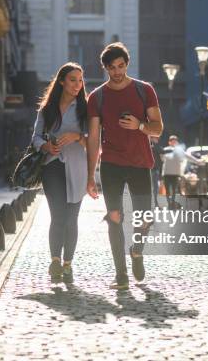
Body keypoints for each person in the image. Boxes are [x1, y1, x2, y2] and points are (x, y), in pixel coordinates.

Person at [86, 42, 163, 290]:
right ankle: (121, 275)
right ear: (105, 68)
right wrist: (90, 175)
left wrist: (139, 126)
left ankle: (136, 251)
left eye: (121, 66)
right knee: (115, 218)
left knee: (144, 219)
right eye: (112, 68)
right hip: (112, 165)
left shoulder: (145, 90)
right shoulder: (96, 97)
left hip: (140, 163)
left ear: (127, 64)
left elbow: (158, 128)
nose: (117, 72)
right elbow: (94, 138)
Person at [31, 62, 88, 284]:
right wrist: (46, 146)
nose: (77, 84)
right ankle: (55, 261)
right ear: (62, 81)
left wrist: (76, 136)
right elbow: (35, 137)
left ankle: (68, 265)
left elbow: (94, 140)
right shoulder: (47, 109)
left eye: (80, 80)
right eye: (73, 80)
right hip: (52, 166)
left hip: (77, 167)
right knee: (58, 215)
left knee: (72, 218)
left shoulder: (86, 108)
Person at [161, 135, 206, 208]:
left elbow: (188, 157)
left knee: (174, 189)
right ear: (169, 142)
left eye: (175, 141)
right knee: (167, 190)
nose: (174, 143)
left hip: (175, 173)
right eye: (172, 141)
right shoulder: (165, 149)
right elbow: (162, 159)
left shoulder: (179, 150)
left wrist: (198, 161)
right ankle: (169, 203)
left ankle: (172, 203)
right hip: (166, 173)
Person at [150, 136, 162, 207]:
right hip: (151, 170)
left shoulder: (154, 146)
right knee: (154, 187)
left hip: (155, 169)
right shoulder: (152, 146)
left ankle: (155, 203)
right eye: (156, 138)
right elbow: (161, 151)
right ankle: (154, 203)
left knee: (155, 187)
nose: (157, 139)